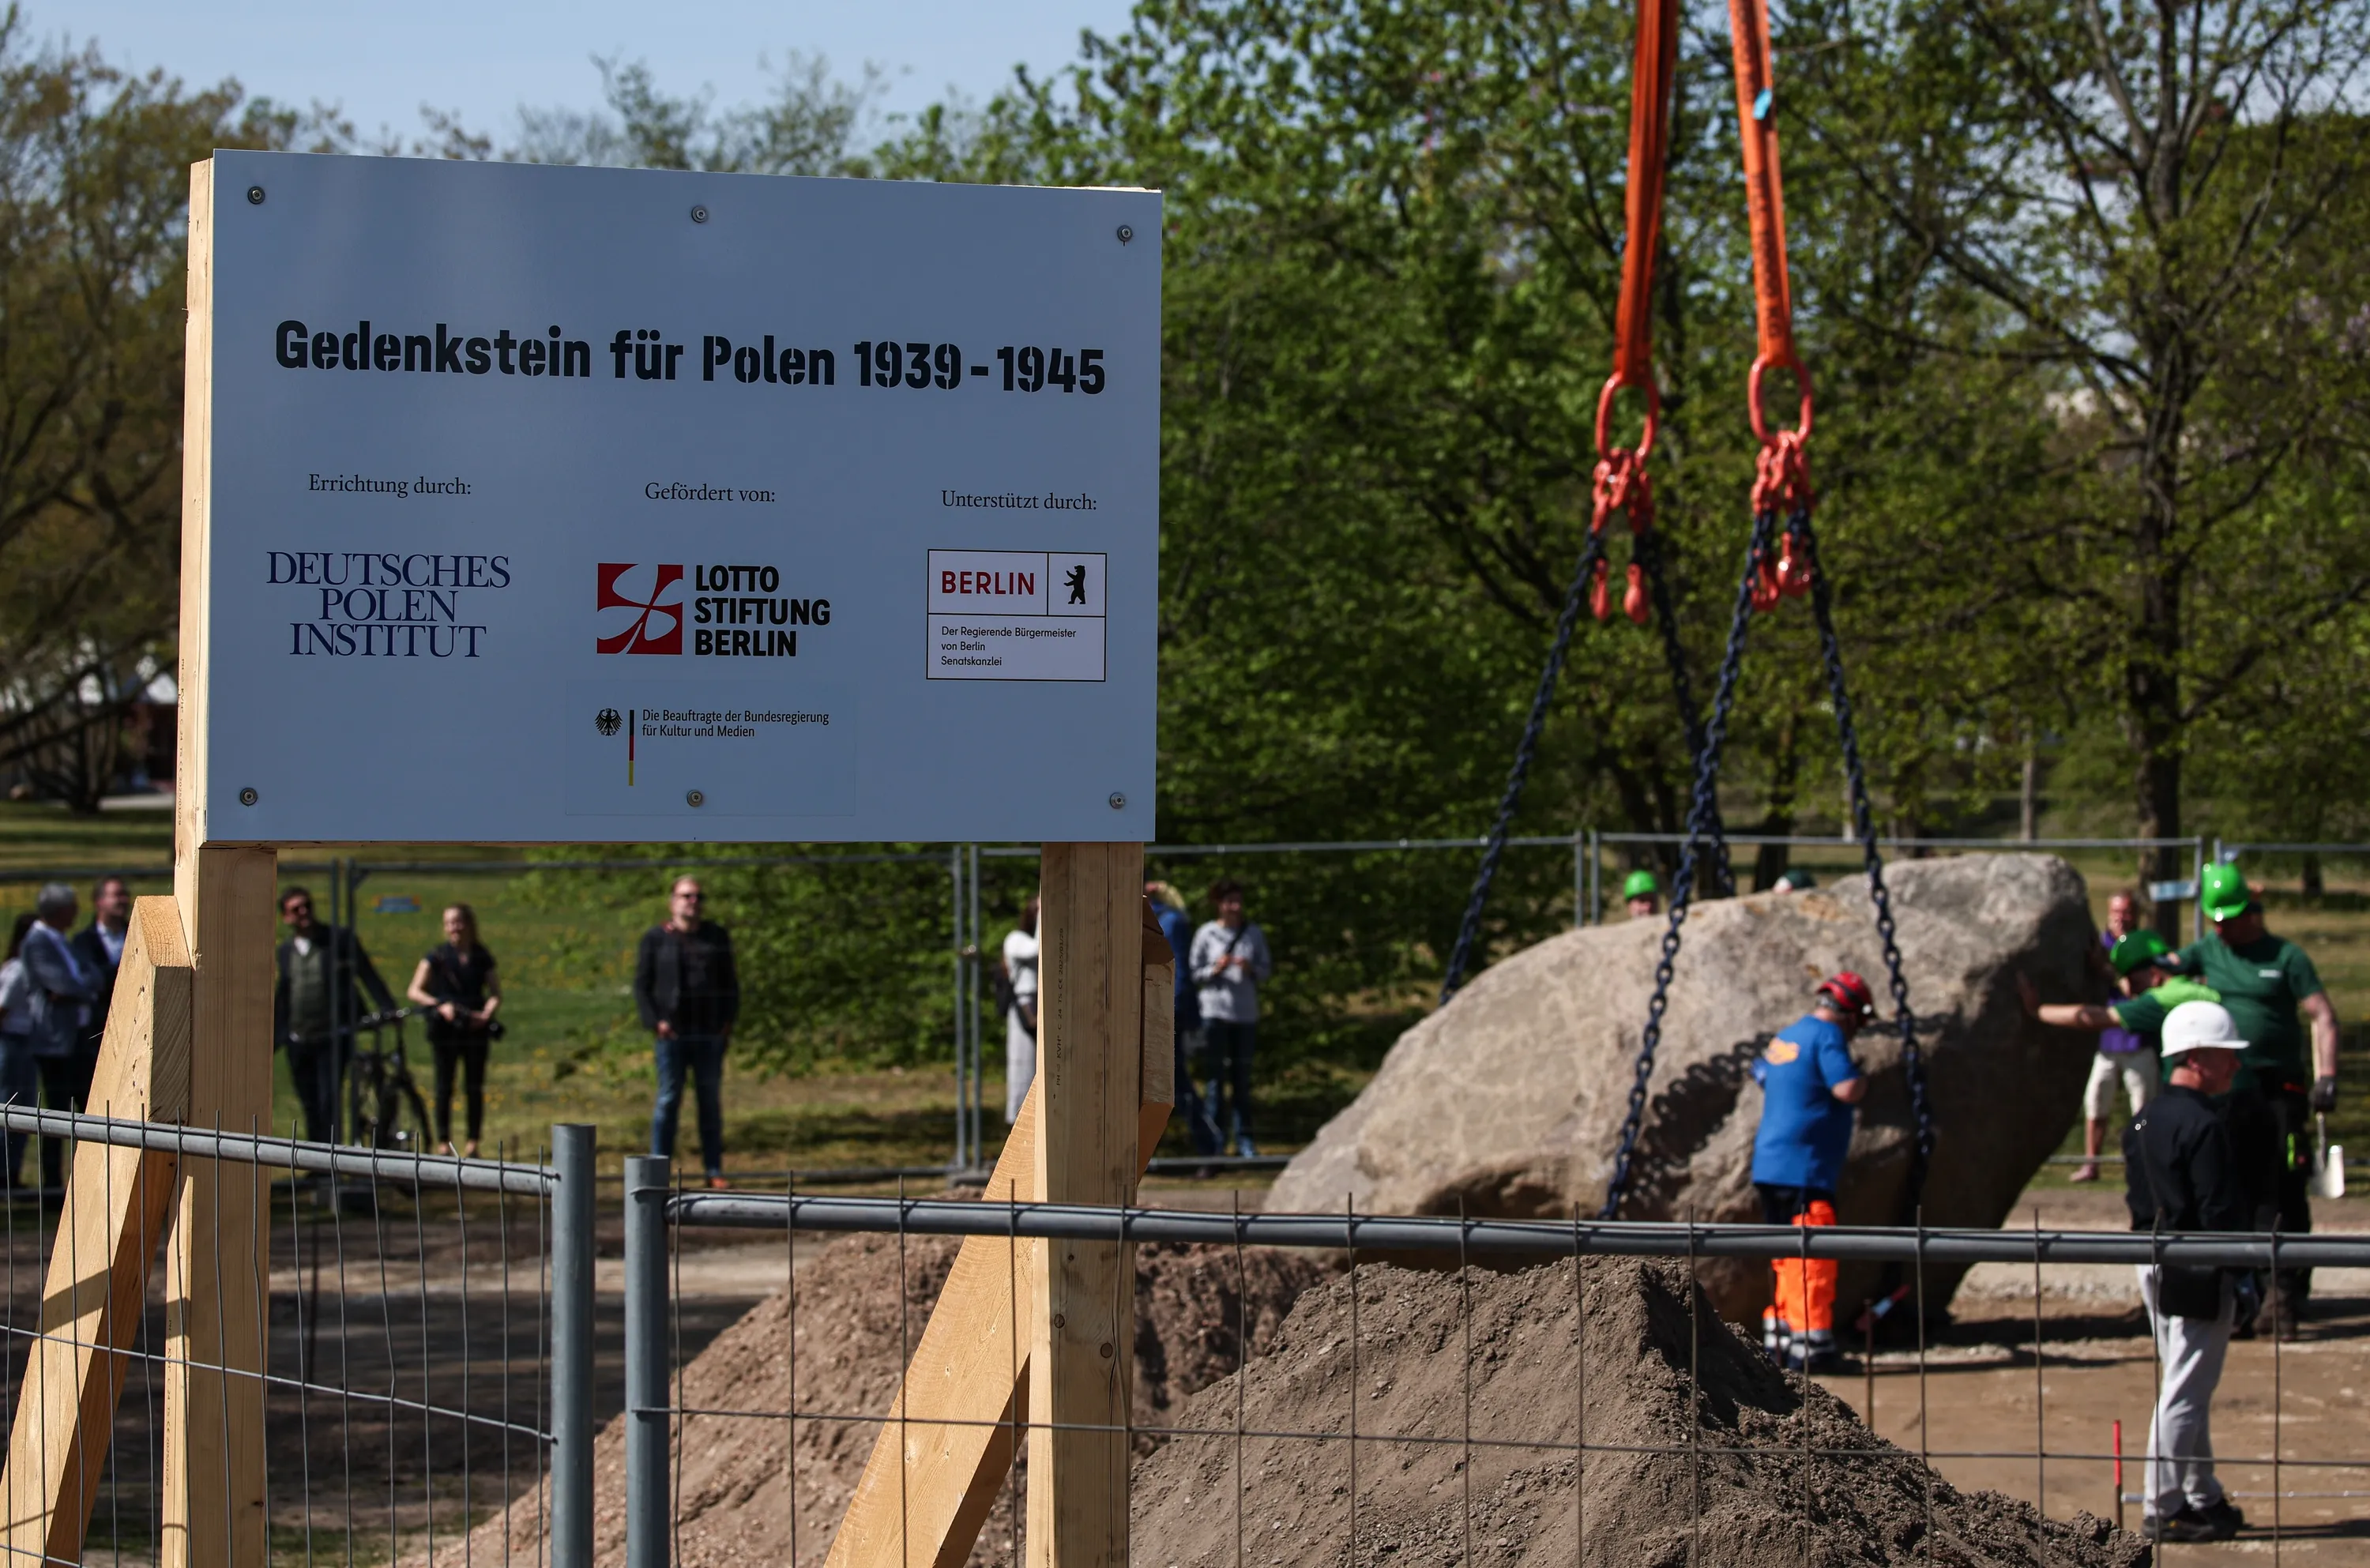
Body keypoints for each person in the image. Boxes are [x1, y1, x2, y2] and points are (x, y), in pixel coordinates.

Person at [2177, 862, 2338, 1333]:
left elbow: (2322, 1015)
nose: (2221, 927)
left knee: (2282, 1189)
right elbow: (2158, 971)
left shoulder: (2286, 956)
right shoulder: (2207, 950)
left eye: (2229, 918)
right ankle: (2243, 1291)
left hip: (2278, 1093)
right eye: (2216, 920)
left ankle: (2285, 1291)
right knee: (2232, 1188)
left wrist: (2326, 1076)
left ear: (2252, 910)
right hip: (2229, 1093)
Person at [2126, 1000, 2255, 1544]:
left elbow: (2137, 1195)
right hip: (2197, 1264)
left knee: (2185, 1383)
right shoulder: (2204, 1123)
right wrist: (2242, 1275)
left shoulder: (2143, 1115)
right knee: (2184, 1388)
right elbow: (2216, 1210)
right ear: (2198, 1056)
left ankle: (2200, 1491)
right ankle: (2163, 1504)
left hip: (2148, 1256)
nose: (2236, 1065)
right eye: (2228, 1054)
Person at [2022, 928, 2218, 1181]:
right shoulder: (2188, 990)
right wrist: (2106, 969)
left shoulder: (2159, 1001)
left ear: (2155, 976)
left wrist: (2039, 1011)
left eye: (2135, 984)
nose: (2133, 993)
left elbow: (2095, 1018)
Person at [1750, 971, 1872, 1371]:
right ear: (1850, 1013)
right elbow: (1845, 1089)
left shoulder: (1786, 1036)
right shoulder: (1828, 1036)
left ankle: (1780, 1342)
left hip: (1769, 1164)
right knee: (1812, 1257)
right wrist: (1864, 1080)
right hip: (1806, 1169)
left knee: (1783, 1256)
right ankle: (1813, 1348)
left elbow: (1762, 1074)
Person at [633, 877, 738, 1188]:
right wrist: (656, 1022)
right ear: (673, 901)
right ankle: (658, 1170)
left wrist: (727, 1021)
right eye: (686, 896)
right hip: (672, 1035)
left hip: (708, 1034)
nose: (693, 901)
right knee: (668, 1100)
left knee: (709, 1101)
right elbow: (642, 986)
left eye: (698, 896)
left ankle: (713, 1169)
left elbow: (731, 983)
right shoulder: (656, 939)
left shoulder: (716, 936)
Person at [273, 886, 396, 1146]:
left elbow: (366, 973)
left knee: (329, 1101)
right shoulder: (286, 952)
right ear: (286, 917)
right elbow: (284, 994)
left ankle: (332, 1165)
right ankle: (317, 1166)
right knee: (310, 1104)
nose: (304, 912)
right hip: (299, 1039)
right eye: (296, 909)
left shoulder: (337, 940)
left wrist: (386, 1006)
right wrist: (276, 1037)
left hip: (332, 1036)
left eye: (307, 905)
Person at [407, 903, 502, 1156]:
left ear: (469, 924)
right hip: (445, 1030)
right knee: (443, 1086)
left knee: (474, 1086)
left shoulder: (481, 956)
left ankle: (473, 1142)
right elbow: (414, 990)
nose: (454, 928)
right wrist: (440, 1005)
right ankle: (444, 1141)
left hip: (474, 1028)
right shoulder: (437, 956)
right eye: (449, 923)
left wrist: (486, 1014)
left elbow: (495, 993)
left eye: (458, 922)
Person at [1191, 879, 1272, 1158]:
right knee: (1215, 1083)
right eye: (1229, 902)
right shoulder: (1207, 934)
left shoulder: (1253, 934)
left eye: (1238, 901)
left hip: (1245, 1014)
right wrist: (1216, 968)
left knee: (1242, 1081)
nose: (1234, 907)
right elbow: (1193, 973)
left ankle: (1245, 1142)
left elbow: (1265, 970)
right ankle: (1215, 1145)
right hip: (1215, 1013)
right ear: (1219, 904)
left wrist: (1250, 968)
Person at [20, 884, 93, 1193]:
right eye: (72, 906)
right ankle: (53, 1186)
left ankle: (87, 1180)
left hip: (77, 1037)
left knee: (87, 1110)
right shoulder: (37, 943)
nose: (77, 911)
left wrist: (78, 988)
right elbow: (63, 982)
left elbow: (91, 976)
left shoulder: (62, 940)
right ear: (58, 911)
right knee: (55, 1113)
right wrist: (81, 988)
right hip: (54, 1042)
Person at [1147, 882, 1218, 1155]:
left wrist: (1168, 1015)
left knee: (1177, 1084)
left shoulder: (1169, 920)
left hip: (1165, 1015)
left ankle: (1209, 1148)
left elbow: (1176, 970)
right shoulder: (1150, 917)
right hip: (1151, 1012)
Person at [71, 875, 132, 1069]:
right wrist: (127, 972)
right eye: (117, 895)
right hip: (97, 1027)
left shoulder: (137, 933)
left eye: (125, 895)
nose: (123, 900)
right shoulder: (83, 941)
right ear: (100, 901)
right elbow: (91, 978)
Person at [0, 914, 42, 1186]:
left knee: (24, 1108)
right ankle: (4, 1173)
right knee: (10, 1106)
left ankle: (11, 1173)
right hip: (12, 1044)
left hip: (26, 1044)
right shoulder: (17, 970)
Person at [999, 896, 1040, 1123]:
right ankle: (1019, 1120)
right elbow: (1037, 950)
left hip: (1041, 1006)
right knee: (1023, 1067)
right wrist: (1046, 912)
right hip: (1025, 1009)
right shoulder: (1015, 939)